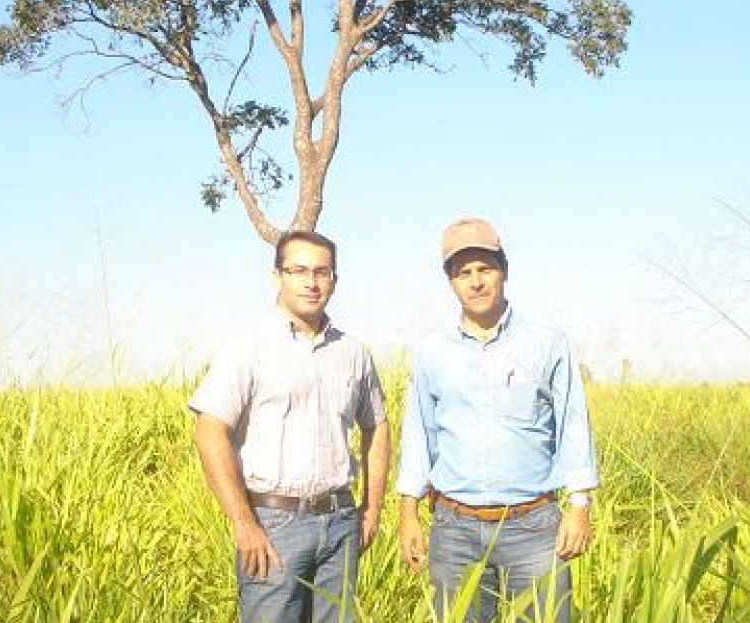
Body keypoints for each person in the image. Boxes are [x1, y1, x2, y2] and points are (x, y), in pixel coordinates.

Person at [396, 217, 599, 623]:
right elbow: (419, 432)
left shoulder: (546, 342)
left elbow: (573, 423)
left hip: (534, 527)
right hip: (455, 528)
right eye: (463, 272)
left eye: (485, 268)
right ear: (451, 282)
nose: (475, 281)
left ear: (504, 270)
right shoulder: (433, 350)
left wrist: (579, 505)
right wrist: (408, 512)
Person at [189, 230, 390, 623]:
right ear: (277, 276)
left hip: (340, 523)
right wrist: (244, 523)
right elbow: (209, 428)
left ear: (334, 279)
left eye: (322, 272)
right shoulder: (248, 347)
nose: (311, 282)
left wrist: (372, 509)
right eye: (298, 270)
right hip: (273, 525)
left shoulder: (353, 353)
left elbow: (378, 426)